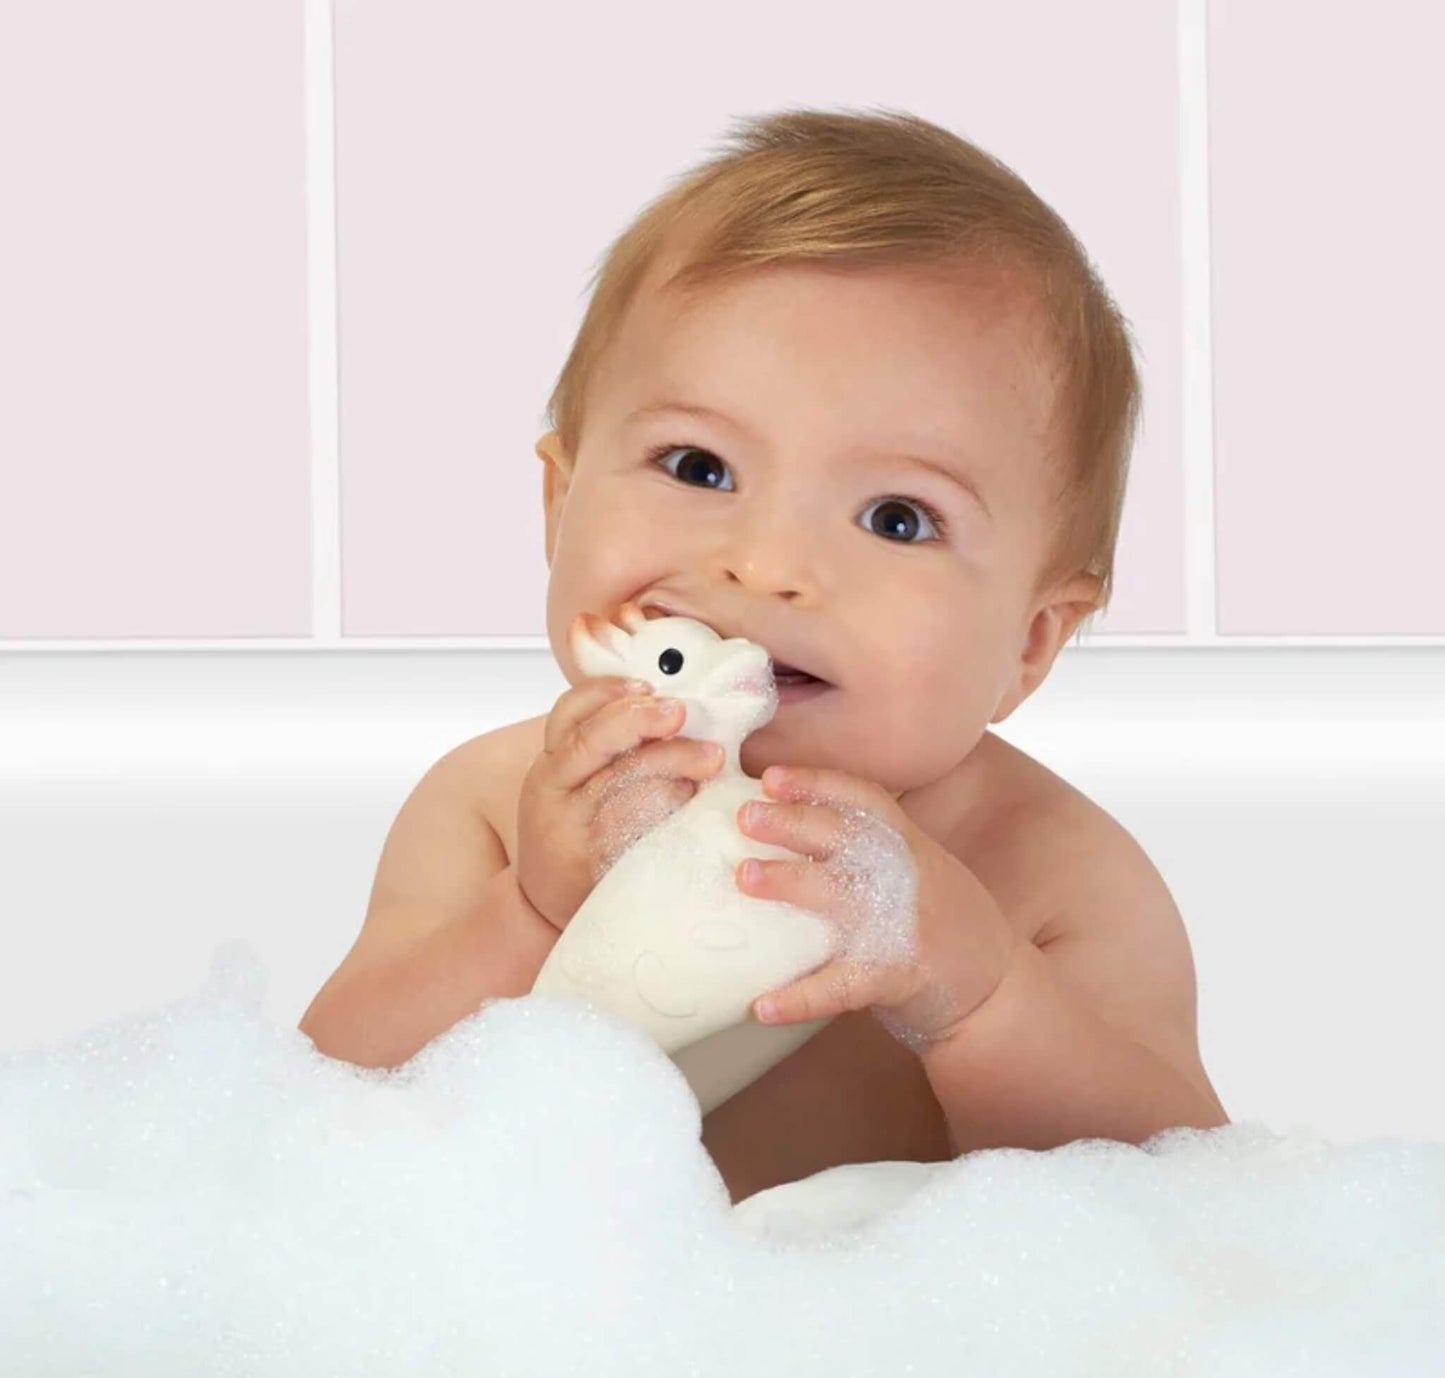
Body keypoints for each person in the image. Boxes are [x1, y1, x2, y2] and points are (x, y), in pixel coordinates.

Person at [298, 106, 1229, 1204]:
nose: (764, 563)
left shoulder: (1054, 878)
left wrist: (980, 998)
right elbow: (320, 1094)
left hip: (890, 1346)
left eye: (894, 517)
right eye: (696, 465)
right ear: (559, 502)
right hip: (545, 1325)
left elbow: (1192, 1192)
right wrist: (533, 913)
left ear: (1027, 645)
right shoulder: (497, 808)